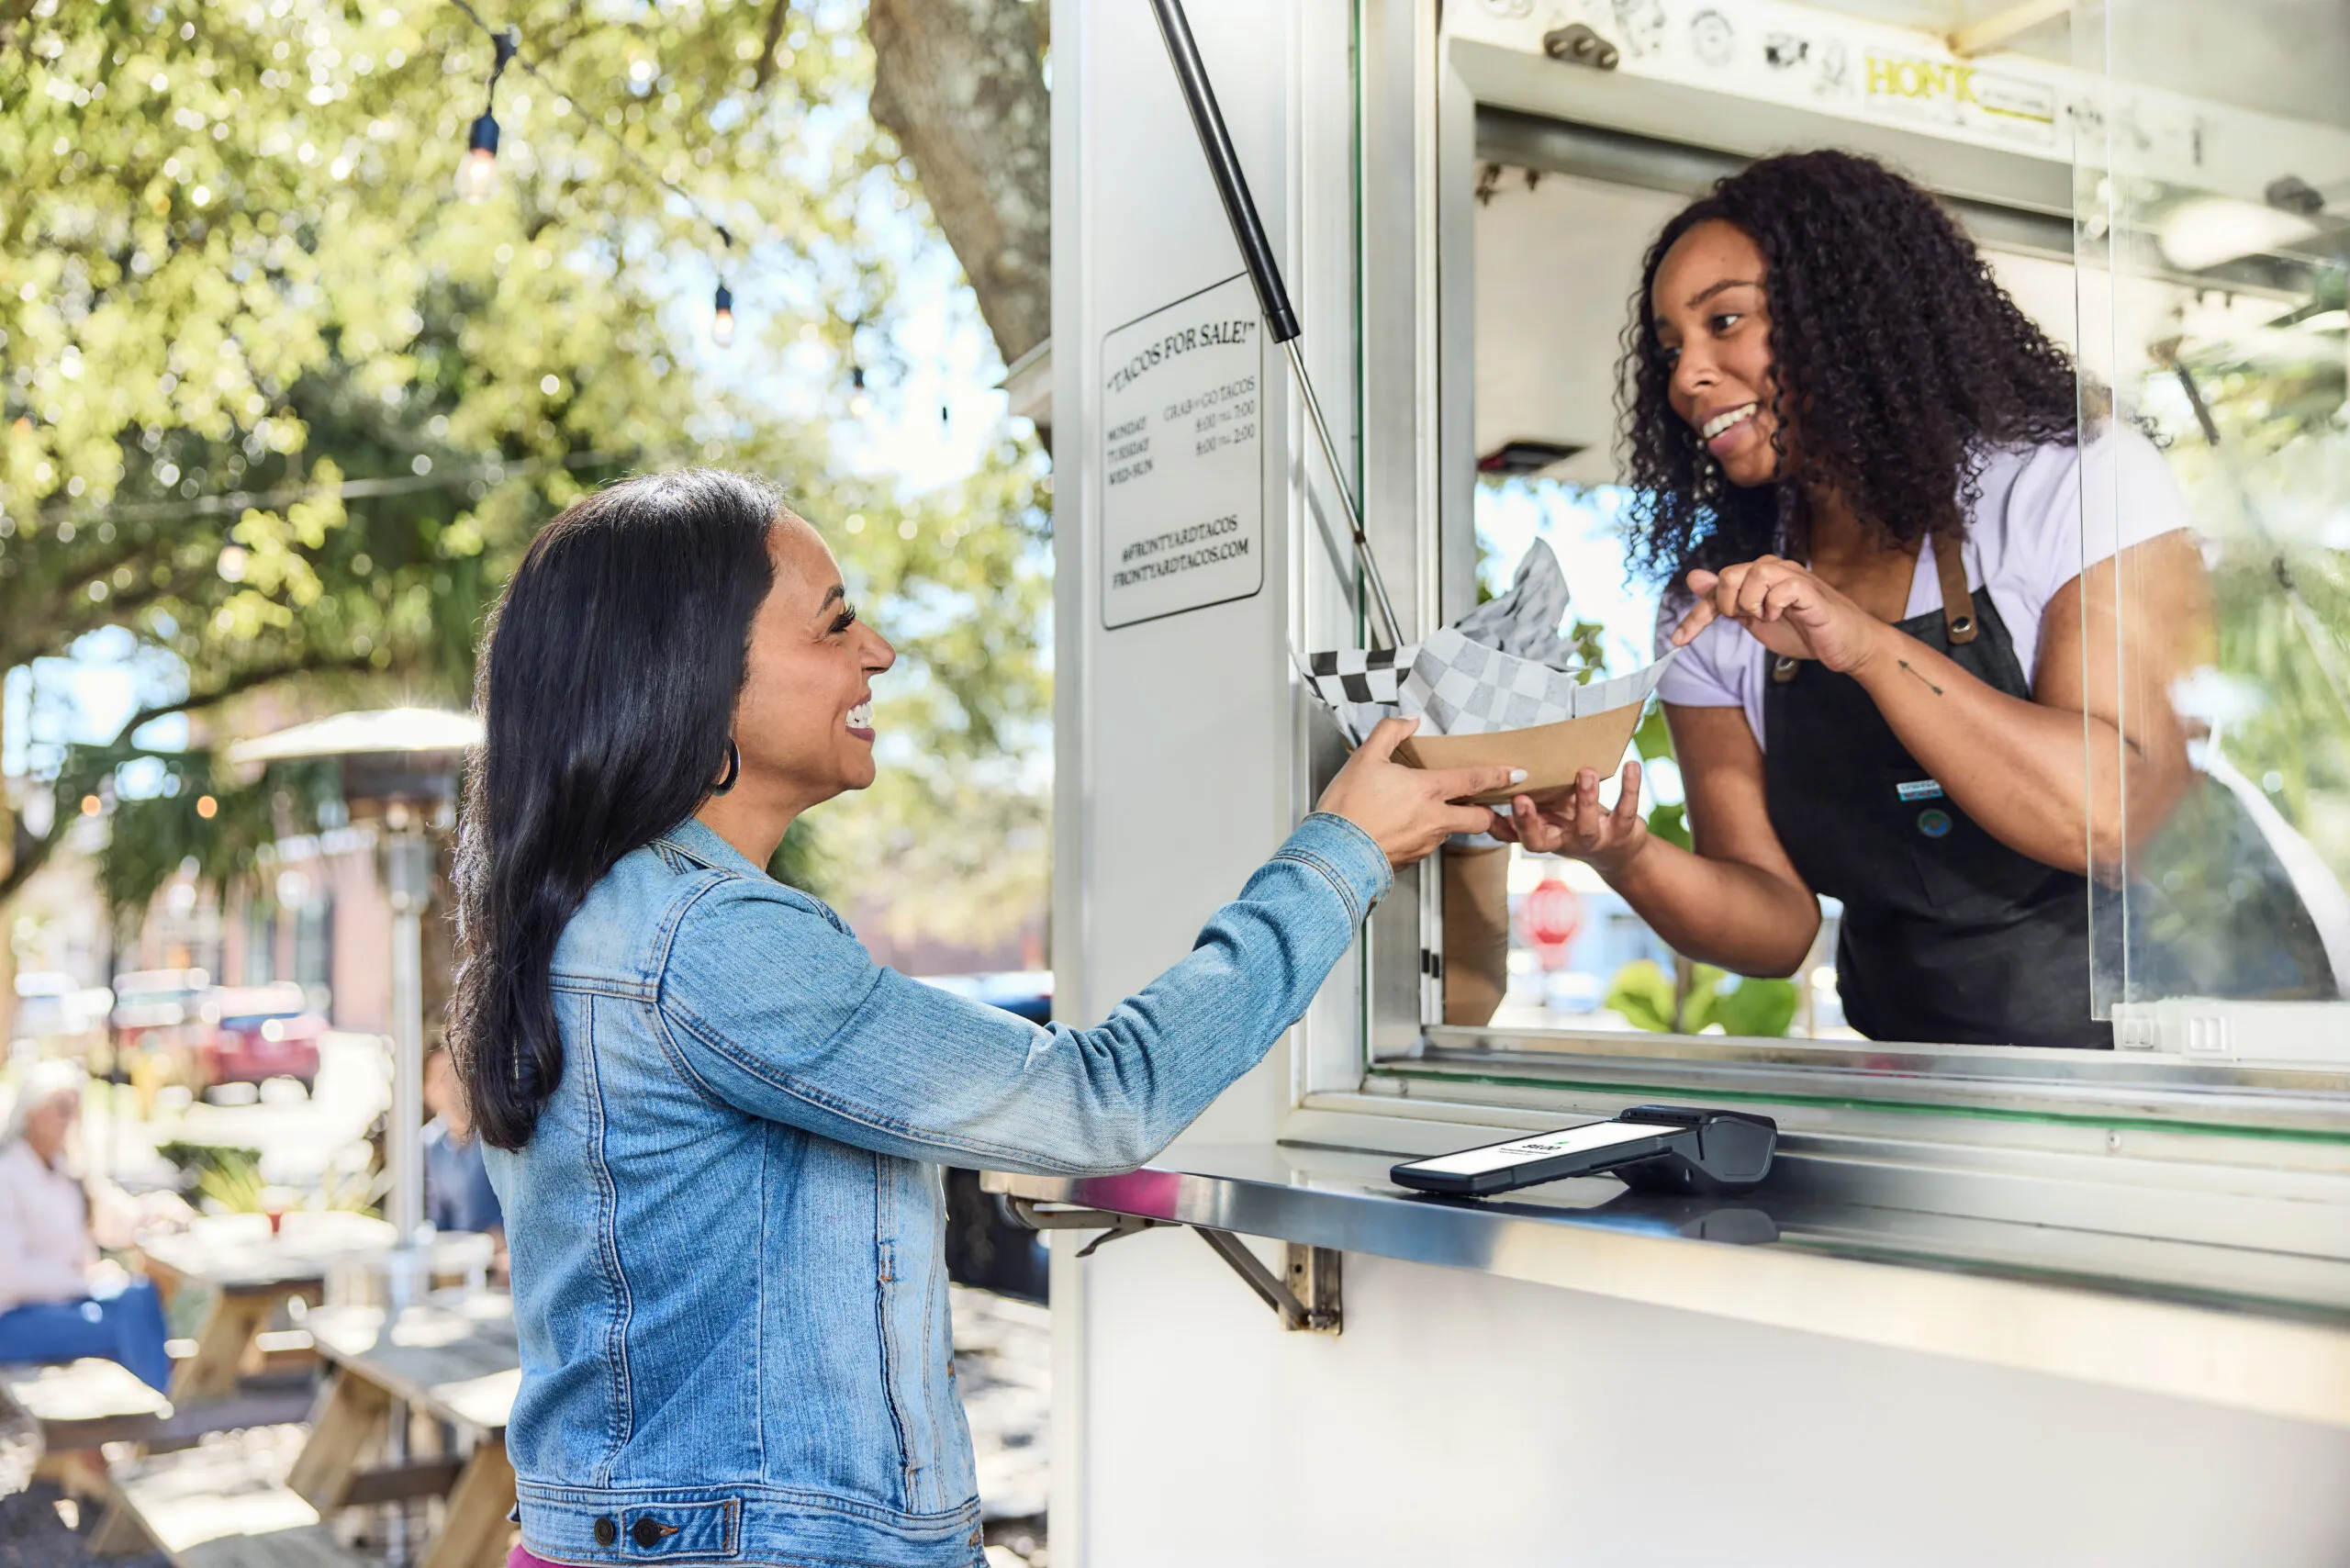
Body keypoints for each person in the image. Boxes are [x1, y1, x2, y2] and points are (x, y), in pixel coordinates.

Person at [448, 469, 1512, 1568]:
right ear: (694, 677)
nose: (879, 652)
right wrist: (1341, 849)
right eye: (835, 623)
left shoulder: (590, 914)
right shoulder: (710, 940)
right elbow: (1103, 1099)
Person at [1491, 149, 2338, 1047]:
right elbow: (1774, 925)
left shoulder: (2069, 482)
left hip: (2213, 1038)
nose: (1684, 376)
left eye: (1724, 322)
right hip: (1934, 1066)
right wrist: (1623, 854)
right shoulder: (1717, 597)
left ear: (1848, 315)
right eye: (1670, 348)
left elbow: (2113, 816)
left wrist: (1867, 646)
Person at [0, 1062, 173, 1393]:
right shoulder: (7, 1175)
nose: (71, 1120)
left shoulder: (66, 1168)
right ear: (31, 1112)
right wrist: (84, 1281)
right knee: (119, 1328)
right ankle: (155, 1415)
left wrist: (156, 1213)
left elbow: (113, 1222)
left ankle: (156, 1409)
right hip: (12, 1319)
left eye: (76, 1110)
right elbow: (9, 1277)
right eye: (62, 1109)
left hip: (61, 1304)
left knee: (140, 1296)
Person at [421, 1045, 506, 1275]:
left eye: (453, 1077)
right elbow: (439, 1218)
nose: (448, 1087)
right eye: (439, 1079)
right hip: (459, 1267)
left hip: (503, 1265)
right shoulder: (431, 1144)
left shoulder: (496, 1136)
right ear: (427, 1092)